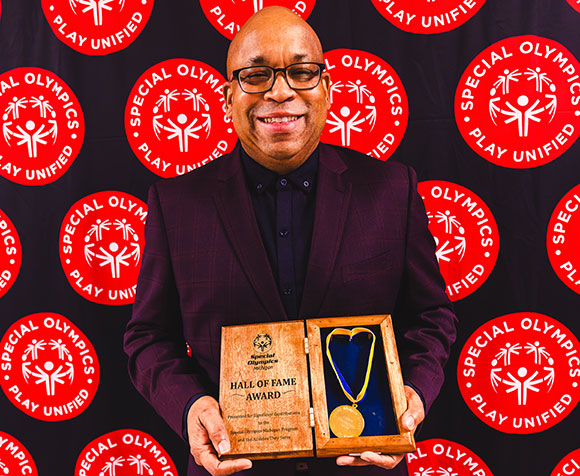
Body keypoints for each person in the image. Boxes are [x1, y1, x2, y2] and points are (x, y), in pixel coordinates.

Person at [124, 6, 457, 476]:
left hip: (365, 464)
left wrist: (413, 395)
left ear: (326, 90)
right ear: (227, 98)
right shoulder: (175, 204)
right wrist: (191, 406)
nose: (280, 92)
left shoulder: (391, 189)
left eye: (301, 72)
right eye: (255, 75)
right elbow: (148, 336)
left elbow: (430, 317)